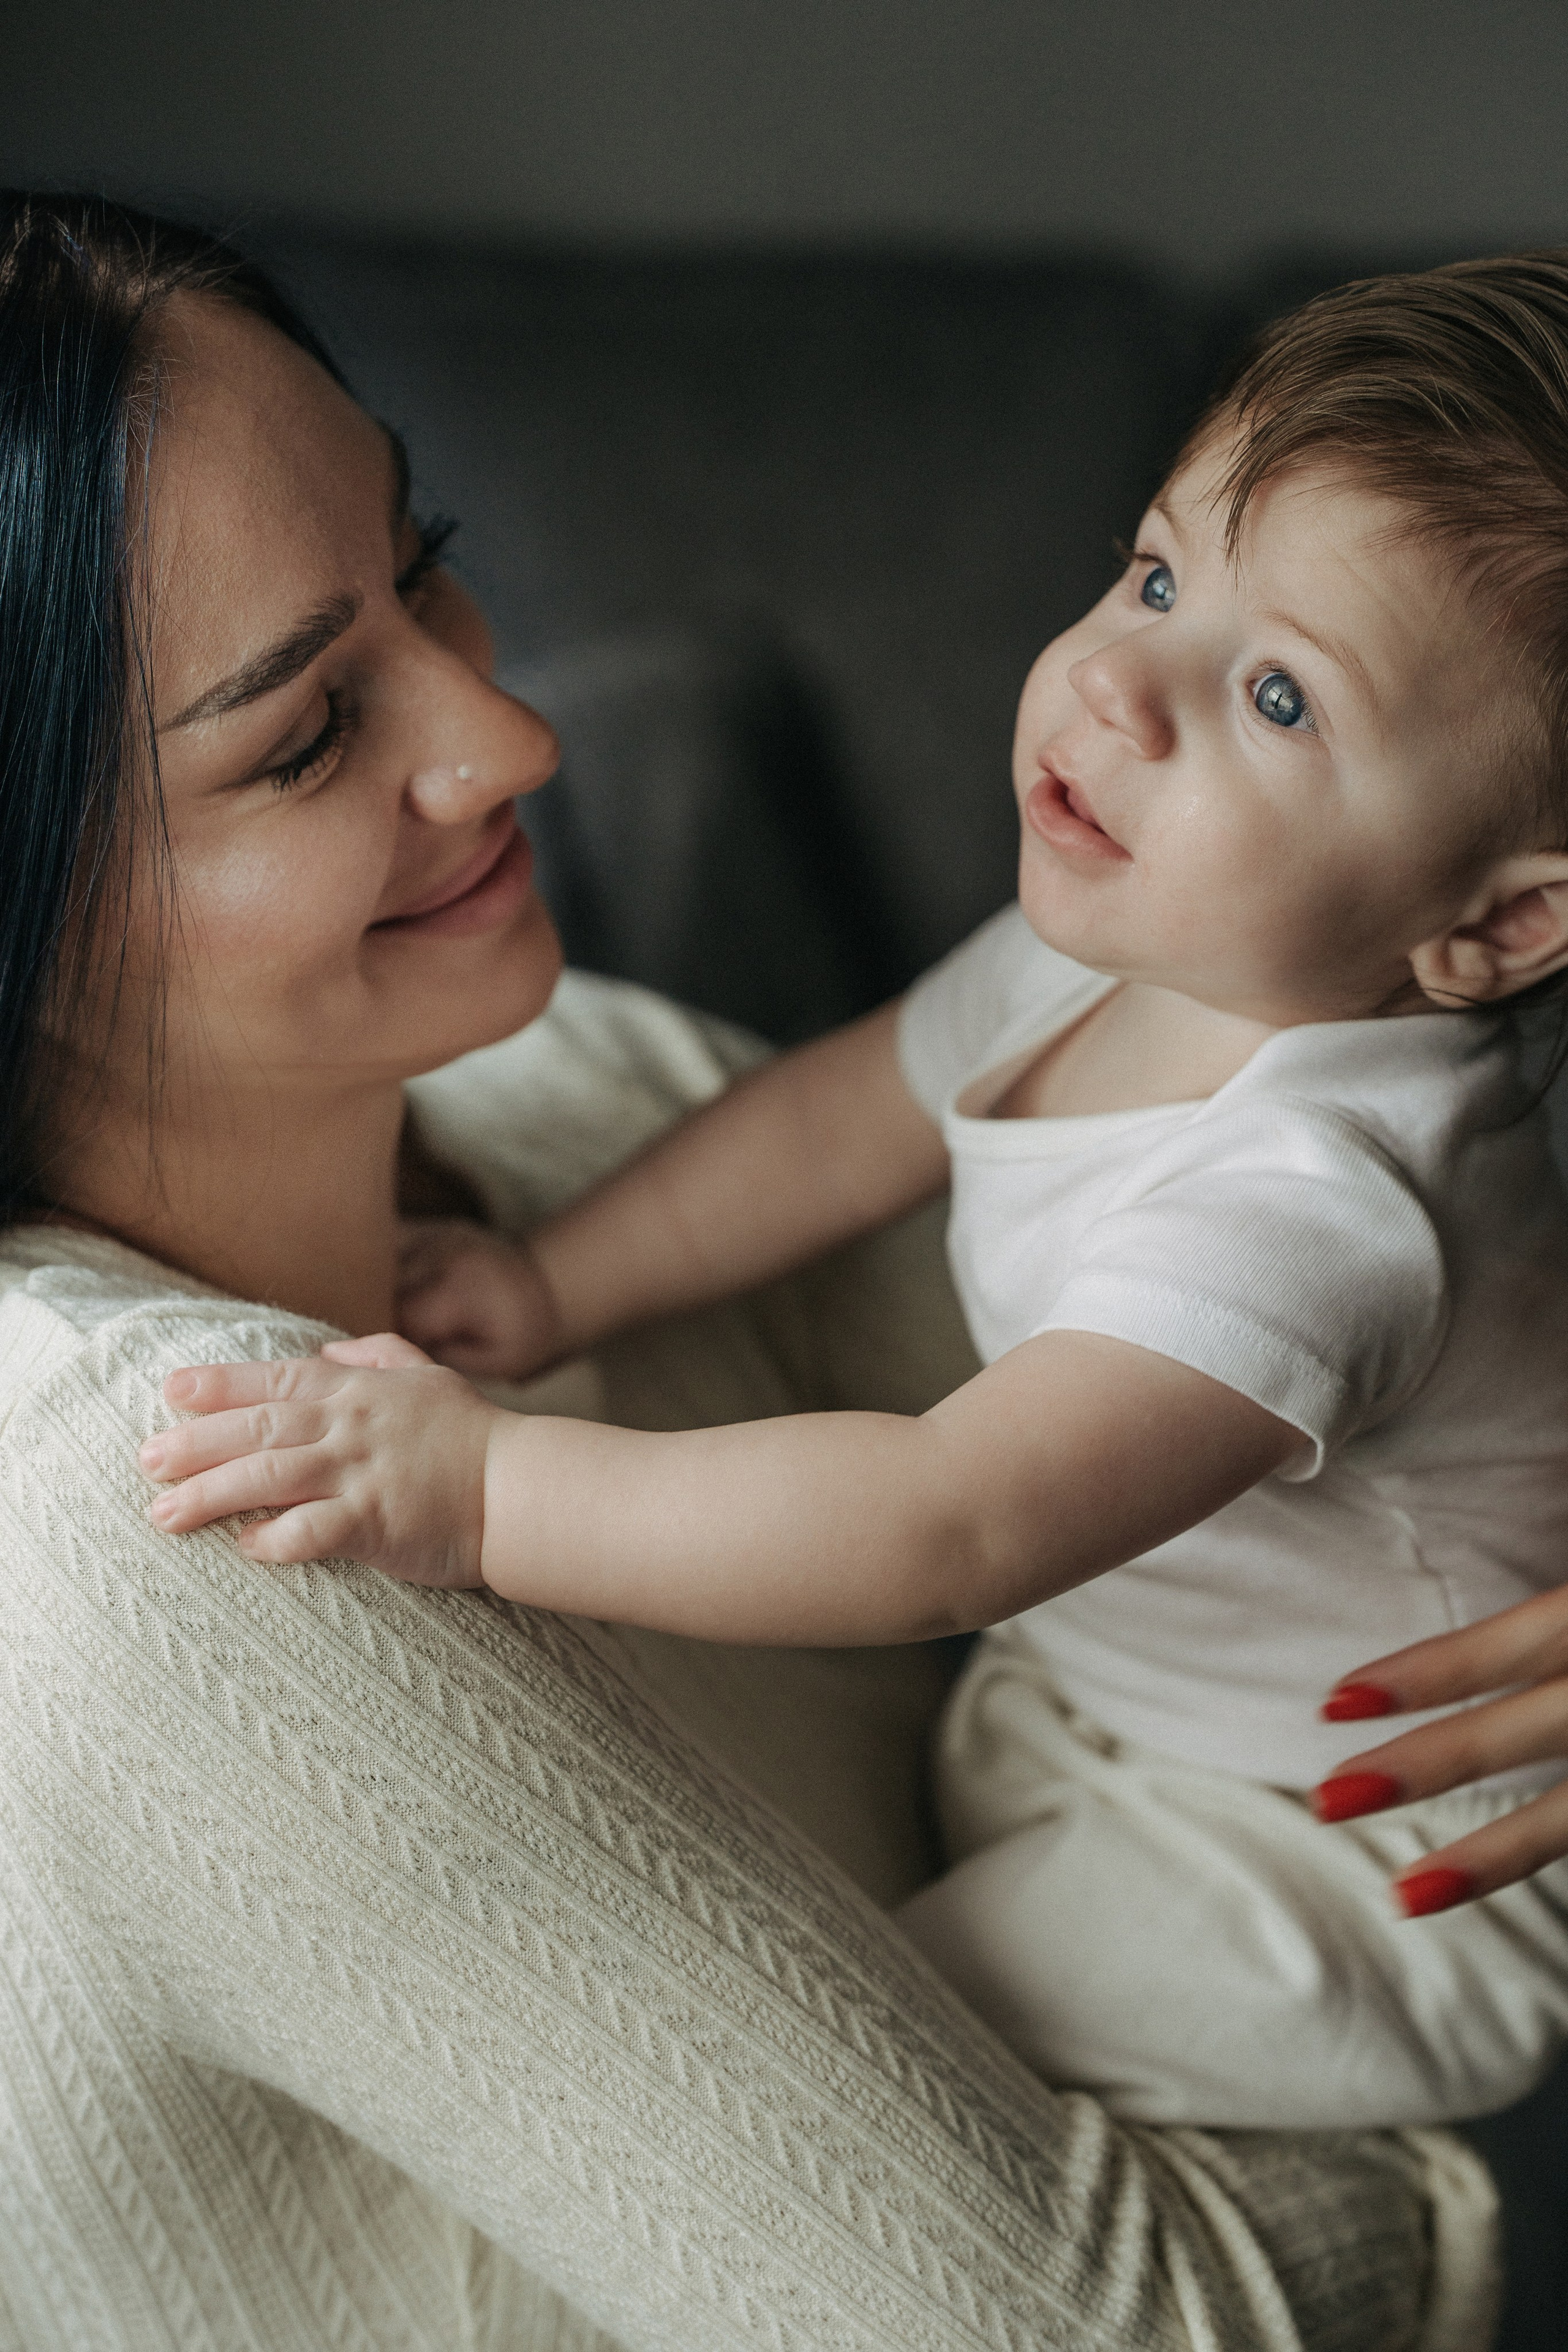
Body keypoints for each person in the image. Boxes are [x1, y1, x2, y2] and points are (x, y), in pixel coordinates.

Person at [0, 188, 1479, 2352]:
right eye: (306, 733)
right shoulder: (174, 1510)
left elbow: (1301, 1370)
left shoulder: (589, 1090)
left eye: (422, 564)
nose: (512, 743)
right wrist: (1440, 2168)